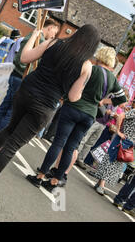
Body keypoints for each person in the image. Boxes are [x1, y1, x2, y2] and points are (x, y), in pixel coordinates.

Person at [0, 24, 101, 205]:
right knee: (12, 146)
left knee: (10, 129)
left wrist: (35, 36)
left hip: (26, 91)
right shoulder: (86, 66)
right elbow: (74, 97)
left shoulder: (53, 43)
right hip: (44, 106)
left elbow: (25, 57)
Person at [26, 46, 127, 191]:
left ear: (100, 56)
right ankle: (54, 182)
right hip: (90, 115)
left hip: (74, 107)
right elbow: (122, 101)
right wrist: (103, 101)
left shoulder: (91, 68)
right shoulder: (112, 79)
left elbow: (72, 82)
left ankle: (40, 176)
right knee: (71, 147)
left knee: (58, 143)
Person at [0, 20, 60, 144]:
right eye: (55, 32)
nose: (54, 36)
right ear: (50, 28)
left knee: (4, 107)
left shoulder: (31, 36)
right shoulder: (40, 42)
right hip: (22, 77)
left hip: (15, 74)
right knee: (11, 113)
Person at [94, 105, 135, 196]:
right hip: (122, 139)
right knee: (111, 160)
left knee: (116, 163)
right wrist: (118, 131)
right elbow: (121, 116)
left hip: (128, 143)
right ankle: (101, 185)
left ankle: (100, 183)